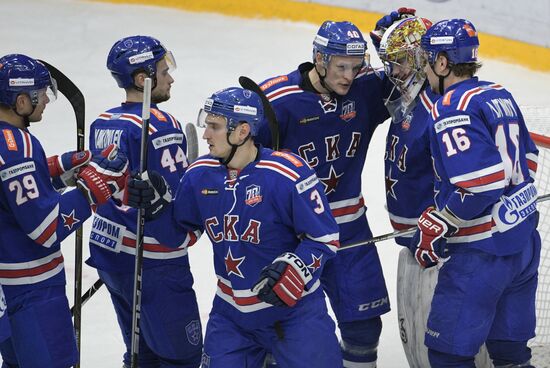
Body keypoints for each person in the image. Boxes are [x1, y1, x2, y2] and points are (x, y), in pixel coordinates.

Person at [125, 87, 343, 367]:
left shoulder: (288, 174)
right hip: (232, 317)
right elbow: (180, 237)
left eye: (214, 127)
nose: (205, 135)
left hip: (294, 315)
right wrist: (156, 210)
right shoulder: (199, 175)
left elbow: (324, 238)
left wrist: (297, 267)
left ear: (242, 132)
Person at [255, 20, 394, 367]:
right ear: (319, 59)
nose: (349, 76)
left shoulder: (366, 89)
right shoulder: (276, 100)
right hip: (293, 235)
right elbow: (236, 158)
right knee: (280, 331)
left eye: (355, 66)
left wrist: (393, 42)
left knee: (364, 327)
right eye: (340, 66)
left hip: (348, 227)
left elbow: (413, 82)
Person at [412, 19, 541, 367]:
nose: (424, 69)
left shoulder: (451, 106)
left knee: (447, 354)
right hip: (523, 244)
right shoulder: (498, 93)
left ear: (442, 63)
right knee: (511, 353)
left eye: (426, 60)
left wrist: (444, 218)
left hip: (482, 252)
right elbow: (529, 159)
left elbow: (481, 183)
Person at [0, 54, 128, 367]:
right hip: (31, 289)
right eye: (41, 94)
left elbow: (14, 189)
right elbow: (46, 228)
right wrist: (95, 186)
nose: (46, 100)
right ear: (20, 101)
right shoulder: (18, 147)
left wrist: (61, 167)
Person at [86, 35, 203, 368]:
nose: (171, 78)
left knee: (141, 353)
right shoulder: (160, 125)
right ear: (143, 79)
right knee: (182, 357)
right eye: (164, 71)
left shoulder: (102, 123)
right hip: (153, 261)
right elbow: (178, 202)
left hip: (110, 251)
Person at [371, 11, 441, 368]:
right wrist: (387, 38)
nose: (392, 72)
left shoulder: (440, 110)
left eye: (399, 62)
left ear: (422, 58)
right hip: (409, 248)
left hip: (439, 255)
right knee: (415, 354)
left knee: (441, 354)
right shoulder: (409, 99)